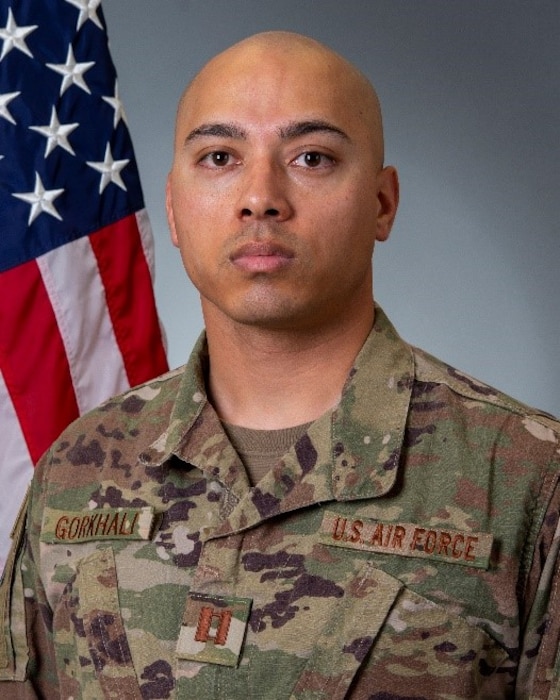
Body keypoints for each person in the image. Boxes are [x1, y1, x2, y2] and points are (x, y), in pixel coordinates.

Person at [1, 30, 559, 700]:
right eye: (220, 157)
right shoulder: (76, 469)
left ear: (382, 204)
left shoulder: (528, 478)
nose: (260, 197)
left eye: (312, 157)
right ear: (174, 209)